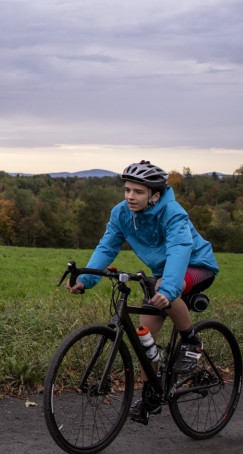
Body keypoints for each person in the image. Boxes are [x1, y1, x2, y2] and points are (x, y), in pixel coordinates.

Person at [65, 160, 220, 424]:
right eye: (127, 190)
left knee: (162, 290)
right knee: (145, 335)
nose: (130, 196)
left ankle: (191, 340)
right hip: (167, 272)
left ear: (155, 195)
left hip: (197, 265)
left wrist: (169, 288)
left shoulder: (173, 213)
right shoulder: (121, 213)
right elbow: (107, 246)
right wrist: (86, 279)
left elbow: (180, 249)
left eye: (137, 192)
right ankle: (151, 394)